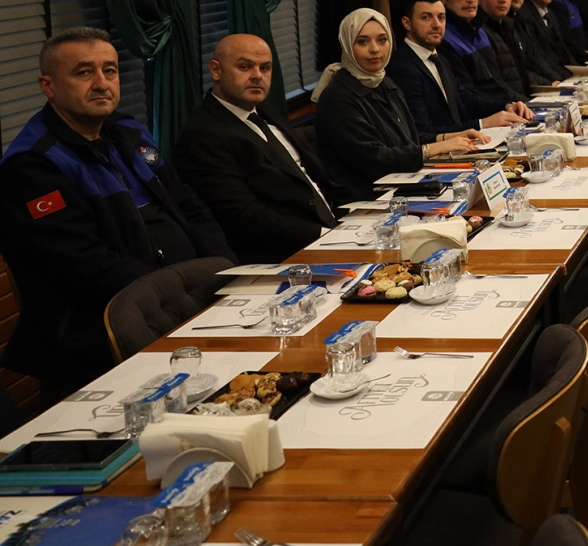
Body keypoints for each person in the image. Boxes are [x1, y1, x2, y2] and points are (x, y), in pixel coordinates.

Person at [0, 28, 235, 386]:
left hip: (189, 303)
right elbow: (86, 267)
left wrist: (229, 277)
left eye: (109, 71)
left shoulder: (130, 132)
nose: (101, 83)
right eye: (83, 72)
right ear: (48, 86)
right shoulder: (32, 165)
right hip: (109, 333)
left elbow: (190, 207)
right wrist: (183, 303)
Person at [173, 34, 341, 263]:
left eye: (265, 68)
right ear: (216, 71)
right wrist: (326, 236)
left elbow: (314, 177)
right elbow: (245, 217)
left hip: (332, 232)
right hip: (283, 257)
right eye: (245, 67)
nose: (257, 76)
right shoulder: (202, 135)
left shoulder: (263, 111)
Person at [313, 8, 486, 201]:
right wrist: (431, 150)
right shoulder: (338, 97)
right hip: (367, 200)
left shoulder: (385, 83)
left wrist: (449, 138)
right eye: (362, 42)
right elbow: (376, 159)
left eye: (382, 40)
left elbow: (409, 139)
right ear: (346, 44)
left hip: (404, 188)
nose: (375, 49)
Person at [387, 0, 531, 138]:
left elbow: (466, 101)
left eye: (441, 17)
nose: (436, 24)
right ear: (407, 23)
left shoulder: (439, 58)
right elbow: (423, 131)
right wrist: (483, 124)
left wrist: (506, 107)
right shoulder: (402, 67)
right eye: (426, 17)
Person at [439, 0, 526, 111]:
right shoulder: (444, 38)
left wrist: (521, 103)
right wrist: (507, 106)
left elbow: (495, 82)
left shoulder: (479, 32)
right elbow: (468, 96)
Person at [479, 0, 538, 96]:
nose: (503, 0)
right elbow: (495, 84)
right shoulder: (480, 32)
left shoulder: (509, 26)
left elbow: (523, 73)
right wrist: (526, 104)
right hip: (509, 107)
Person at [516, 0, 587, 69]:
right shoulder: (524, 15)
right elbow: (539, 57)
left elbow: (562, 50)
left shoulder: (551, 13)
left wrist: (580, 71)